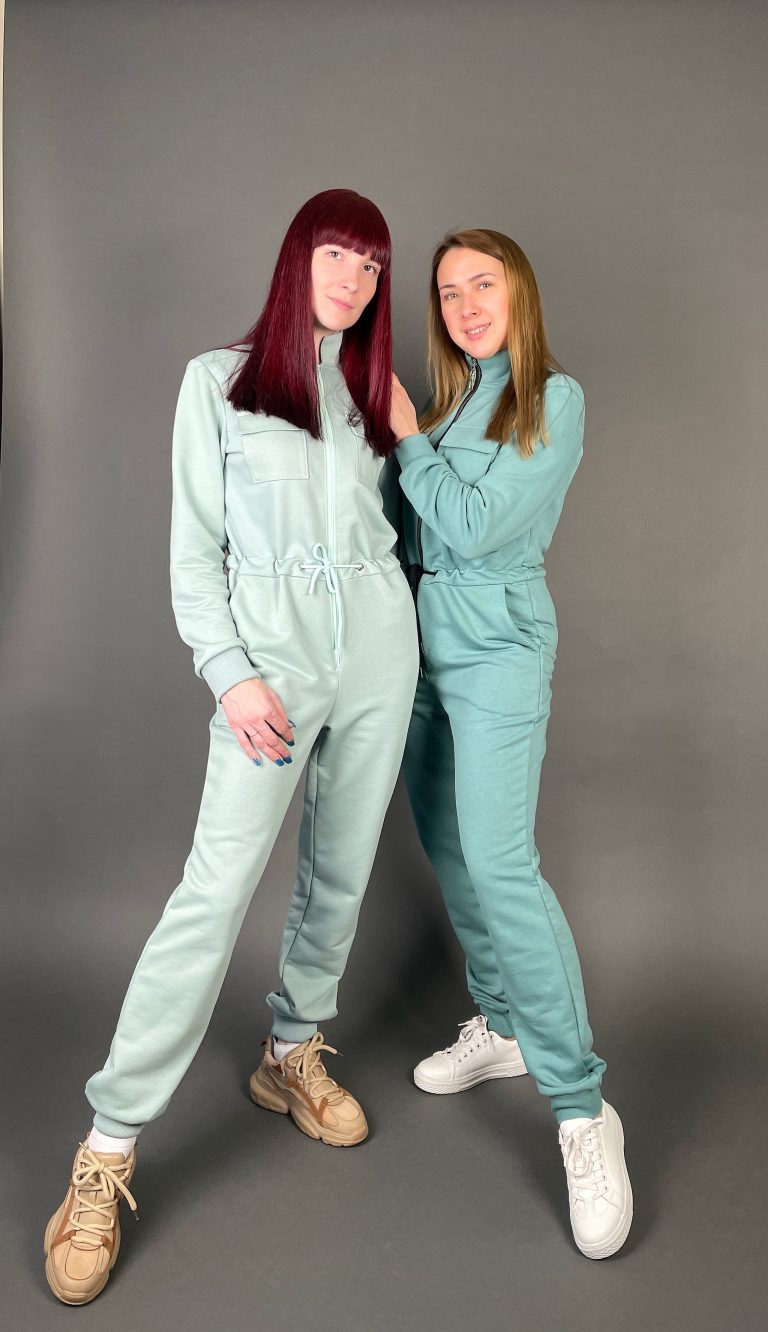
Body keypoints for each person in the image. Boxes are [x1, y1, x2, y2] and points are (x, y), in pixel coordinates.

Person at [43, 189, 419, 1305]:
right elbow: (191, 553)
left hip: (379, 660)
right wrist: (230, 672)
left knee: (340, 872)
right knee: (212, 897)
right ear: (296, 259)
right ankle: (108, 1146)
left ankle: (291, 1051)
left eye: (371, 265)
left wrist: (414, 432)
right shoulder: (217, 383)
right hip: (271, 677)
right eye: (335, 254)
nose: (352, 279)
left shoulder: (371, 394)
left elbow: (416, 525)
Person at [390, 228, 632, 1260]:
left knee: (499, 860)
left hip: (498, 647)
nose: (465, 305)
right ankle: (501, 1026)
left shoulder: (553, 401)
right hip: (420, 650)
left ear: (518, 292)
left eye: (481, 284)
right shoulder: (448, 405)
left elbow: (477, 527)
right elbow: (407, 534)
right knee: (451, 853)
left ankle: (581, 1107)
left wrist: (403, 440)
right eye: (448, 292)